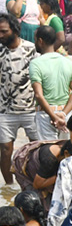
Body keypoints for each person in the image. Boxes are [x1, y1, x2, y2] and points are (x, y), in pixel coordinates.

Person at [0, 12, 39, 184]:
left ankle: (37, 183)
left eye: (4, 31)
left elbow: (39, 78)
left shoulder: (30, 48)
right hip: (5, 110)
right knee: (6, 150)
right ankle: (8, 187)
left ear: (15, 30)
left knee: (37, 148)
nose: (0, 35)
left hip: (30, 107)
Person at [30, 24, 72, 142]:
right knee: (64, 151)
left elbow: (38, 95)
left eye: (35, 40)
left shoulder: (36, 63)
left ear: (40, 41)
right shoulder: (67, 62)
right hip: (65, 114)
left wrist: (54, 117)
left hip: (45, 114)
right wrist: (62, 114)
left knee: (48, 152)